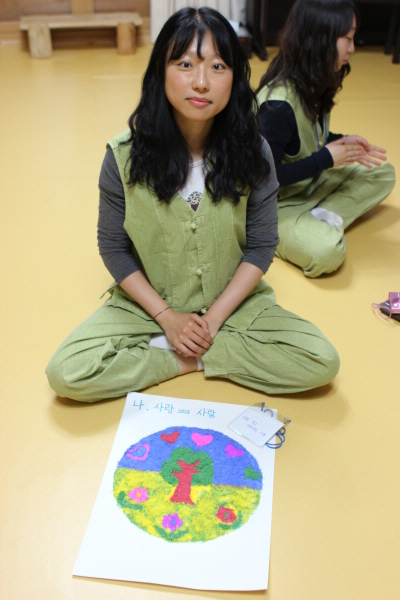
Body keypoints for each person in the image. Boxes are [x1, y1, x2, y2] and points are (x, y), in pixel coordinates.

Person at [46, 7, 339, 402]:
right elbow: (113, 247)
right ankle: (181, 354)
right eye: (185, 64)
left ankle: (191, 355)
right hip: (148, 307)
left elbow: (262, 245)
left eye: (218, 66)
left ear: (234, 78)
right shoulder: (122, 157)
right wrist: (167, 318)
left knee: (320, 359)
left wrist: (212, 321)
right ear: (160, 71)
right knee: (67, 372)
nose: (201, 82)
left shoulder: (254, 151)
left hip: (232, 306)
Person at [257, 0, 396, 278]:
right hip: (276, 205)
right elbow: (262, 179)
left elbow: (304, 138)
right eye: (348, 38)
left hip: (310, 184)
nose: (353, 48)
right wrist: (325, 160)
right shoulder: (278, 106)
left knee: (383, 172)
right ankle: (316, 222)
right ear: (321, 39)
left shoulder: (314, 80)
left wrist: (341, 141)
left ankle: (320, 216)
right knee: (327, 252)